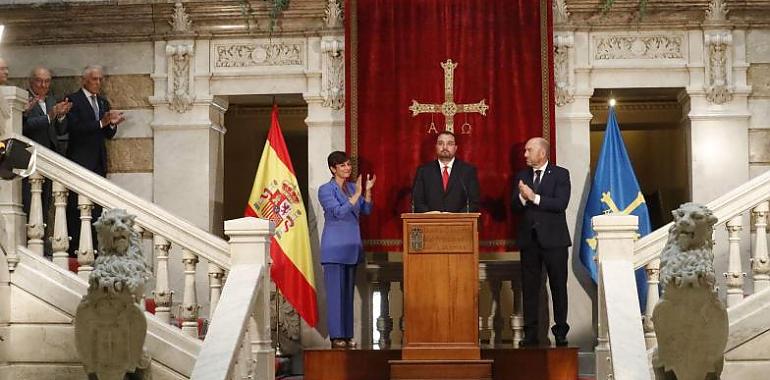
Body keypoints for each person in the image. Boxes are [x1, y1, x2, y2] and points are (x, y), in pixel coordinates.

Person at [512, 137, 572, 347]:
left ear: (542, 153)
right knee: (530, 289)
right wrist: (521, 197)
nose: (525, 154)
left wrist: (532, 197)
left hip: (555, 241)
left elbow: (561, 203)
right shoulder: (522, 175)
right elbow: (515, 207)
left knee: (558, 287)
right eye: (525, 150)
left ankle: (560, 331)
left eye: (529, 150)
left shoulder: (560, 174)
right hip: (529, 241)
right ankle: (531, 333)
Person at [65, 65, 125, 256]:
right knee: (77, 206)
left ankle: (95, 247)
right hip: (79, 160)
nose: (98, 83)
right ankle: (76, 248)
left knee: (97, 209)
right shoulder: (73, 100)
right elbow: (74, 129)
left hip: (98, 161)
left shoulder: (103, 102)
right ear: (84, 80)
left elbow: (107, 134)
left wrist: (112, 125)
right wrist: (101, 123)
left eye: (100, 79)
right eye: (94, 79)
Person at [318, 151, 375, 349]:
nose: (347, 168)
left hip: (352, 246)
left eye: (349, 165)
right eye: (342, 165)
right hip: (334, 248)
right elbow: (338, 212)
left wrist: (367, 191)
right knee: (335, 295)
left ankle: (348, 334)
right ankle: (336, 336)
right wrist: (358, 194)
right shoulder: (325, 190)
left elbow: (366, 211)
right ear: (333, 168)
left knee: (347, 296)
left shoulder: (353, 187)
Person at [21, 66, 72, 249]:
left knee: (46, 204)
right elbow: (24, 126)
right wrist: (51, 116)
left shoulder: (51, 100)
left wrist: (60, 117)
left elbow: (61, 131)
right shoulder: (24, 98)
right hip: (29, 161)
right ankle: (28, 245)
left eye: (47, 81)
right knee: (29, 204)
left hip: (50, 160)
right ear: (31, 81)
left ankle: (41, 245)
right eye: (39, 81)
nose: (43, 85)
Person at [411, 131, 480, 213]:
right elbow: (417, 201)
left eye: (449, 144)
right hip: (430, 223)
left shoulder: (468, 171)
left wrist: (456, 217)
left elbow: (474, 202)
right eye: (440, 143)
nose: (445, 147)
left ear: (455, 148)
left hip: (460, 224)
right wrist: (430, 215)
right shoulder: (423, 171)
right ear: (436, 147)